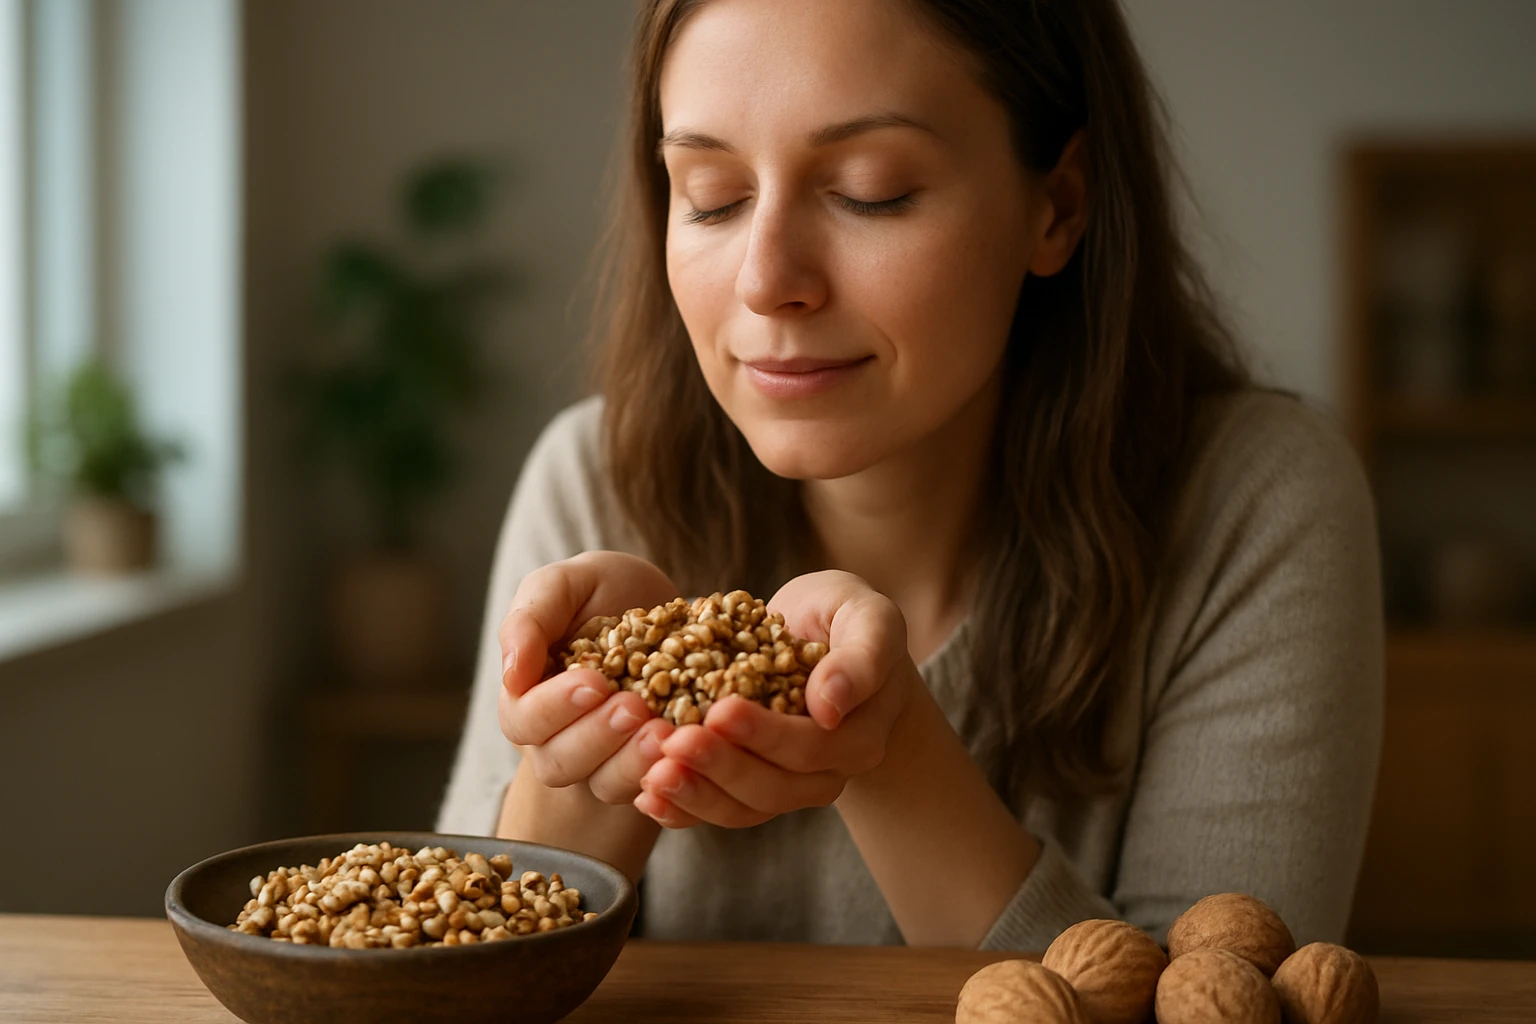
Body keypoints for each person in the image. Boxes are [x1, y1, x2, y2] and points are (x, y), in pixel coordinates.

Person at [438, 0, 1383, 952]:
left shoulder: (1252, 503)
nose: (768, 279)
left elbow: (1215, 996)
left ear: (1057, 205)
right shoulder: (595, 481)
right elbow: (438, 984)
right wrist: (593, 752)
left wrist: (882, 745)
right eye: (713, 195)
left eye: (871, 190)